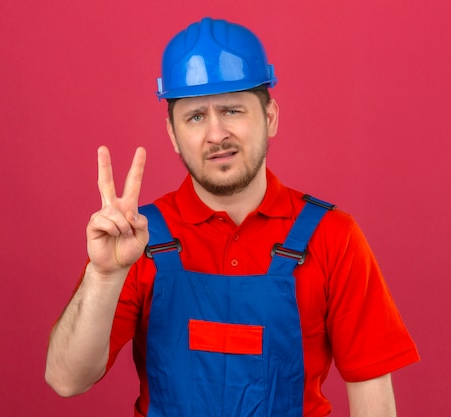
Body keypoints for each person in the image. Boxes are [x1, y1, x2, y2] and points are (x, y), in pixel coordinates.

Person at [45, 17, 419, 417]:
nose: (216, 134)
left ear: (270, 116)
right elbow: (66, 380)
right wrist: (103, 276)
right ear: (172, 134)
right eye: (195, 117)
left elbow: (373, 400)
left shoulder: (333, 237)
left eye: (233, 110)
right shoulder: (136, 240)